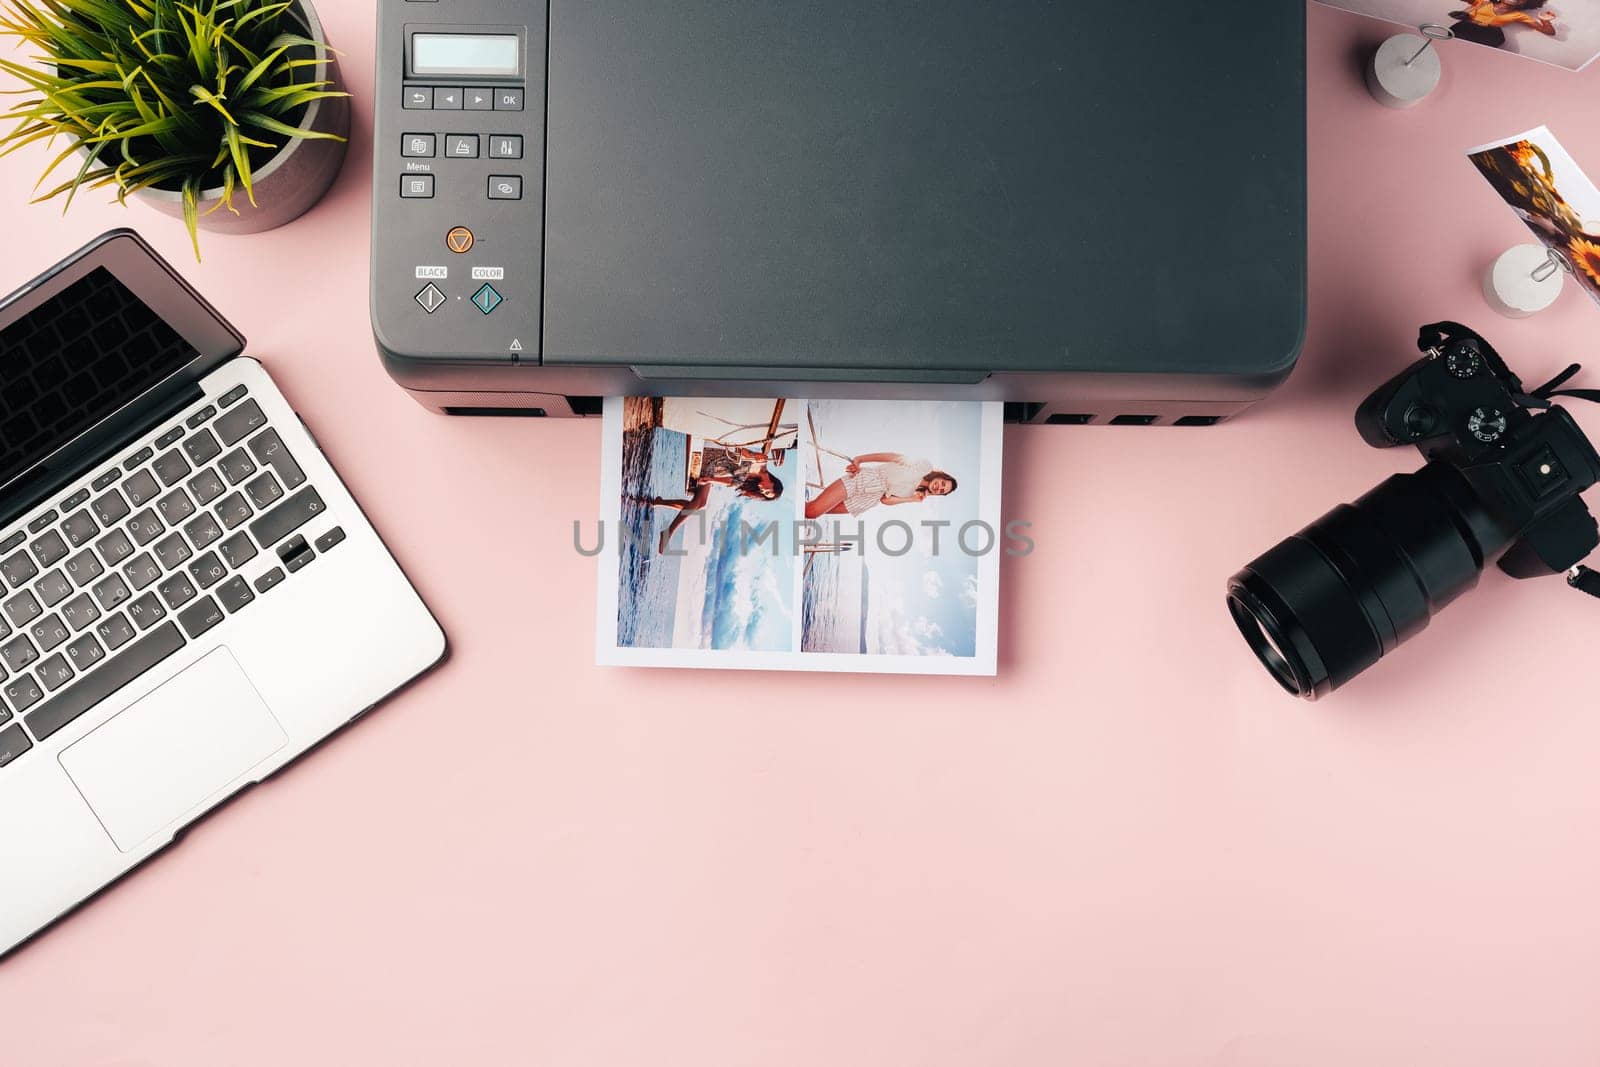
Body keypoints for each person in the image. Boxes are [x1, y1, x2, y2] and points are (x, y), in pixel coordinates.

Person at [653, 450, 784, 553]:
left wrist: (710, 479)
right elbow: (741, 451)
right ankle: (669, 531)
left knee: (701, 503)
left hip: (715, 469)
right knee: (698, 503)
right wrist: (753, 455)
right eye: (768, 491)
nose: (763, 492)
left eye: (765, 494)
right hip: (713, 459)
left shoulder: (754, 481)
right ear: (773, 483)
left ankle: (660, 502)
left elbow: (731, 482)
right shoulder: (762, 463)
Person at [805, 452, 957, 519]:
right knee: (812, 511)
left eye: (942, 491)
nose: (939, 487)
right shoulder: (924, 466)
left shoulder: (914, 494)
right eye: (942, 483)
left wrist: (912, 499)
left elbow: (886, 500)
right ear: (940, 476)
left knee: (815, 511)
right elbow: (892, 456)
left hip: (870, 500)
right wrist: (860, 459)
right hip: (866, 479)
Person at [1449, 0, 1559, 49]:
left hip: (1488, 36)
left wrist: (1545, 20)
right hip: (1464, 30)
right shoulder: (1482, 2)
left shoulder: (1519, 15)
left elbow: (1549, 32)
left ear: (1525, 2)